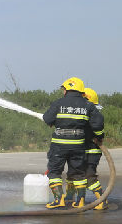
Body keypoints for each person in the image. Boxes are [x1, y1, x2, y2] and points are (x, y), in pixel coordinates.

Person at [42, 77, 104, 209]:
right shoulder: (88, 105)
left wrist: (56, 121)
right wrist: (100, 136)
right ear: (81, 91)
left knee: (54, 172)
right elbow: (98, 124)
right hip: (78, 145)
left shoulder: (59, 103)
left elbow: (47, 119)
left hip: (59, 145)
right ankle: (80, 201)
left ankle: (59, 199)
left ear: (66, 90)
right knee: (78, 173)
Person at [82, 87, 106, 210]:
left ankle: (102, 200)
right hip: (81, 151)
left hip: (92, 151)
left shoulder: (95, 115)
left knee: (89, 175)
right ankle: (78, 200)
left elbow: (99, 132)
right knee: (77, 176)